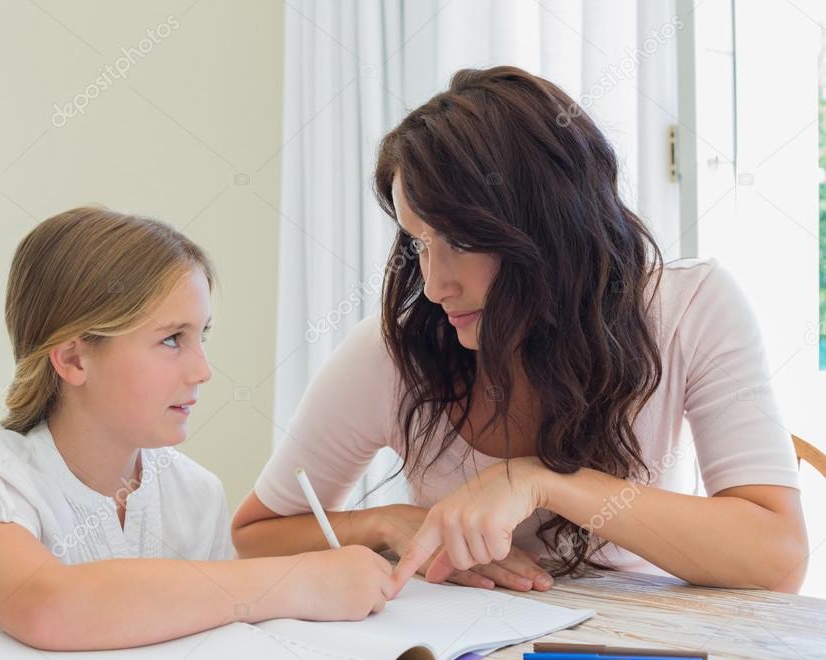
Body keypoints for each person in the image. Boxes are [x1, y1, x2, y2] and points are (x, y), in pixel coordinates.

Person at [232, 67, 808, 596]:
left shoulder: (690, 308)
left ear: (550, 227)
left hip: (644, 654)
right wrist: (387, 523)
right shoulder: (394, 353)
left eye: (459, 242)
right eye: (418, 244)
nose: (433, 287)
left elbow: (777, 558)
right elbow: (257, 533)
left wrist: (542, 482)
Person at [0, 206, 393, 649]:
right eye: (172, 339)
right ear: (74, 358)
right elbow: (45, 606)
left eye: (202, 336)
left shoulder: (196, 493)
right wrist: (300, 580)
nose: (203, 370)